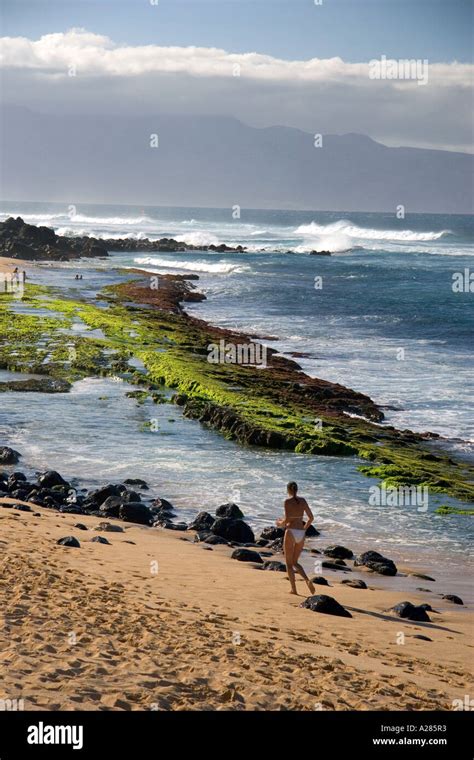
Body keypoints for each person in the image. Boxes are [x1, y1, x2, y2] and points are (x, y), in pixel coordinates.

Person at [277, 481, 315, 596]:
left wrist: (280, 523)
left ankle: (294, 589)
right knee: (295, 562)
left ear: (288, 490)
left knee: (289, 563)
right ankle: (307, 580)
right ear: (296, 490)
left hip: (291, 532)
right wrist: (304, 529)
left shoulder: (287, 502)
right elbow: (311, 518)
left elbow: (288, 519)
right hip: (301, 533)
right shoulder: (303, 501)